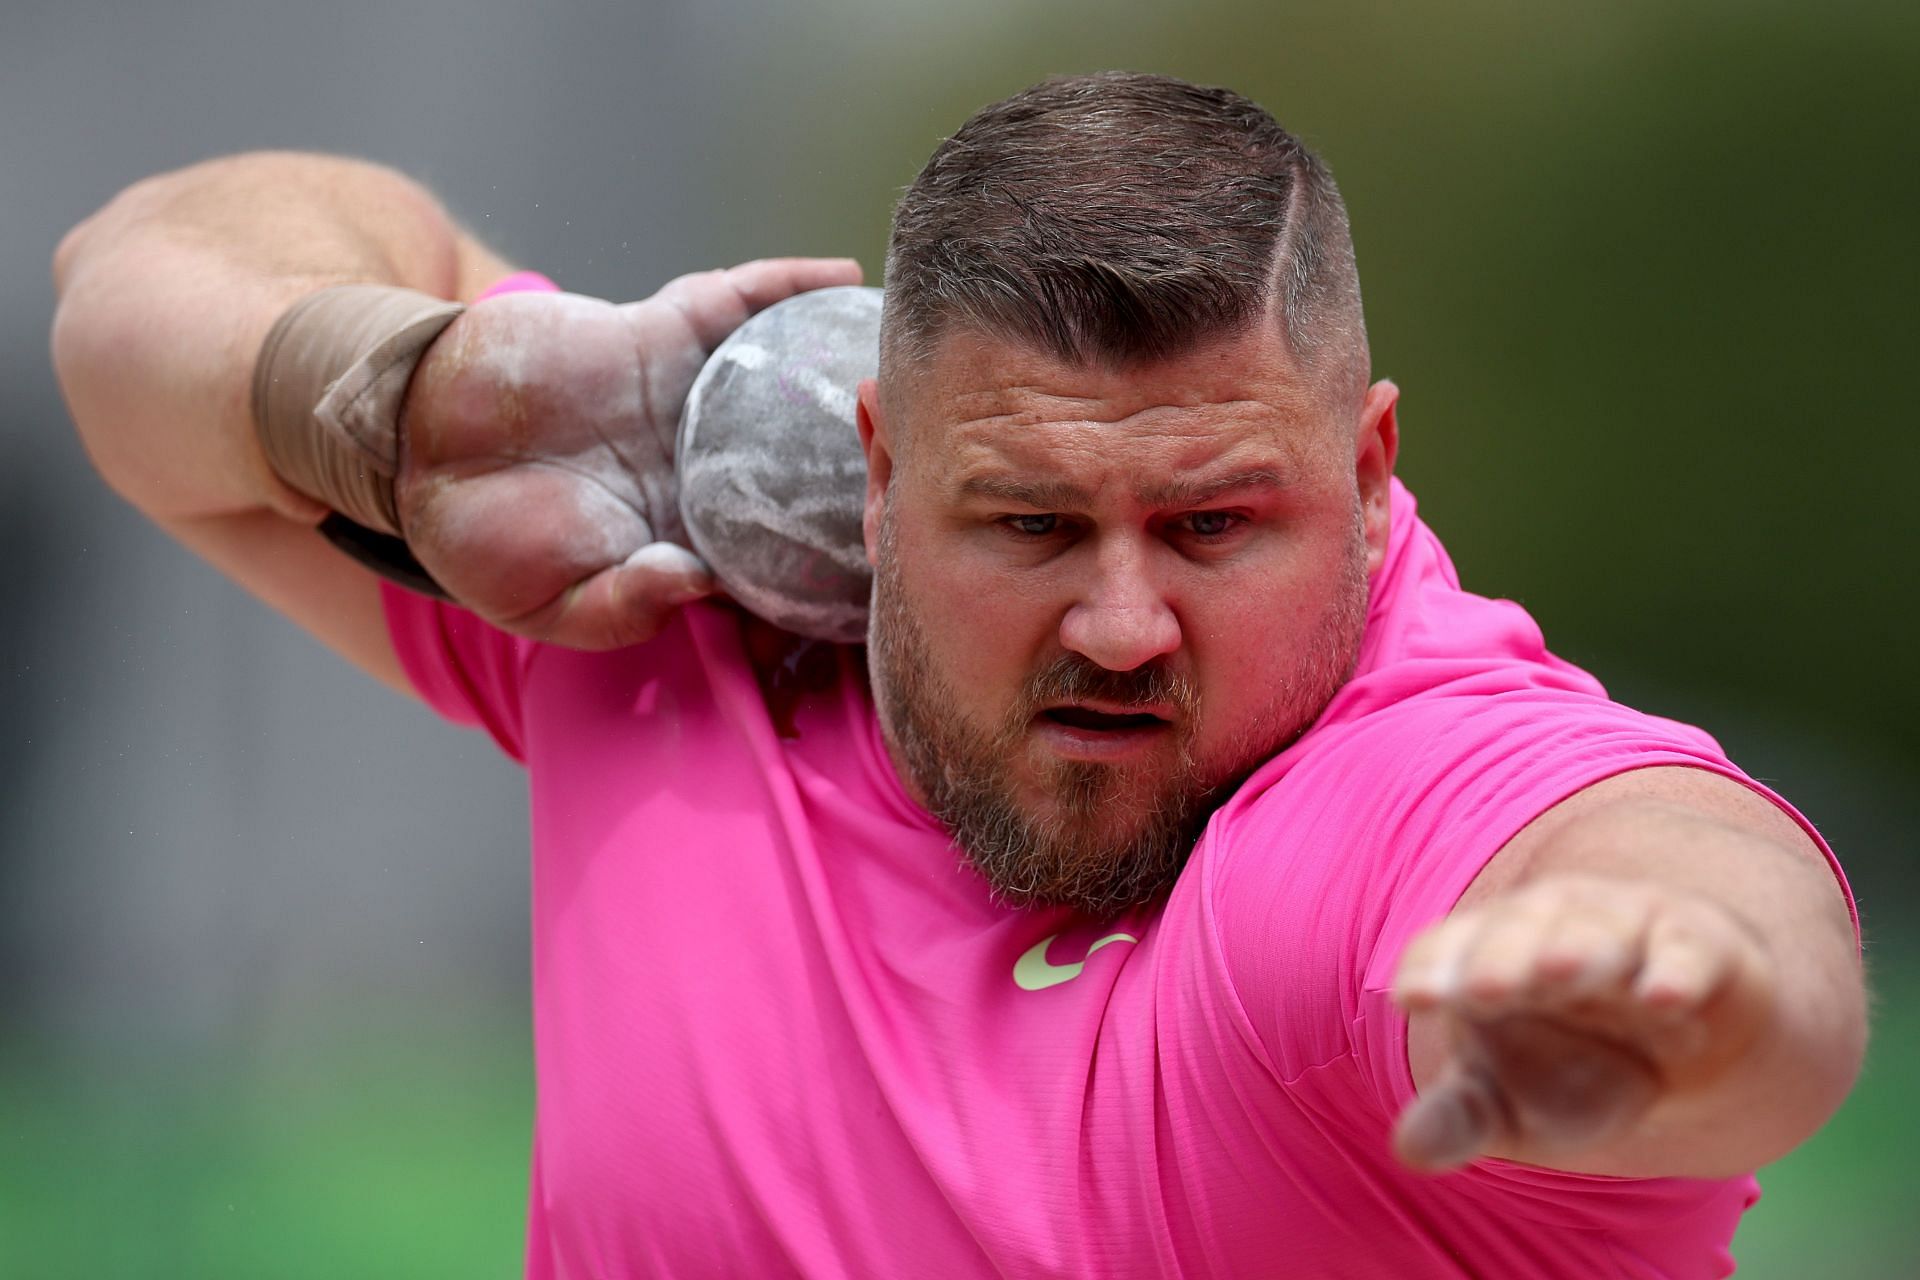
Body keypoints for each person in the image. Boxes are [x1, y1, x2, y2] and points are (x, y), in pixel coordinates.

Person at [51, 71, 1864, 1278]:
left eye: (1217, 526)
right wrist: (410, 396)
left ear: (1371, 477)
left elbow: (1686, 877)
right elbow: (124, 301)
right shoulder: (663, 621)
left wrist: (1666, 982)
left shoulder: (1377, 812)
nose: (1124, 623)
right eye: (1031, 527)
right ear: (885, 473)